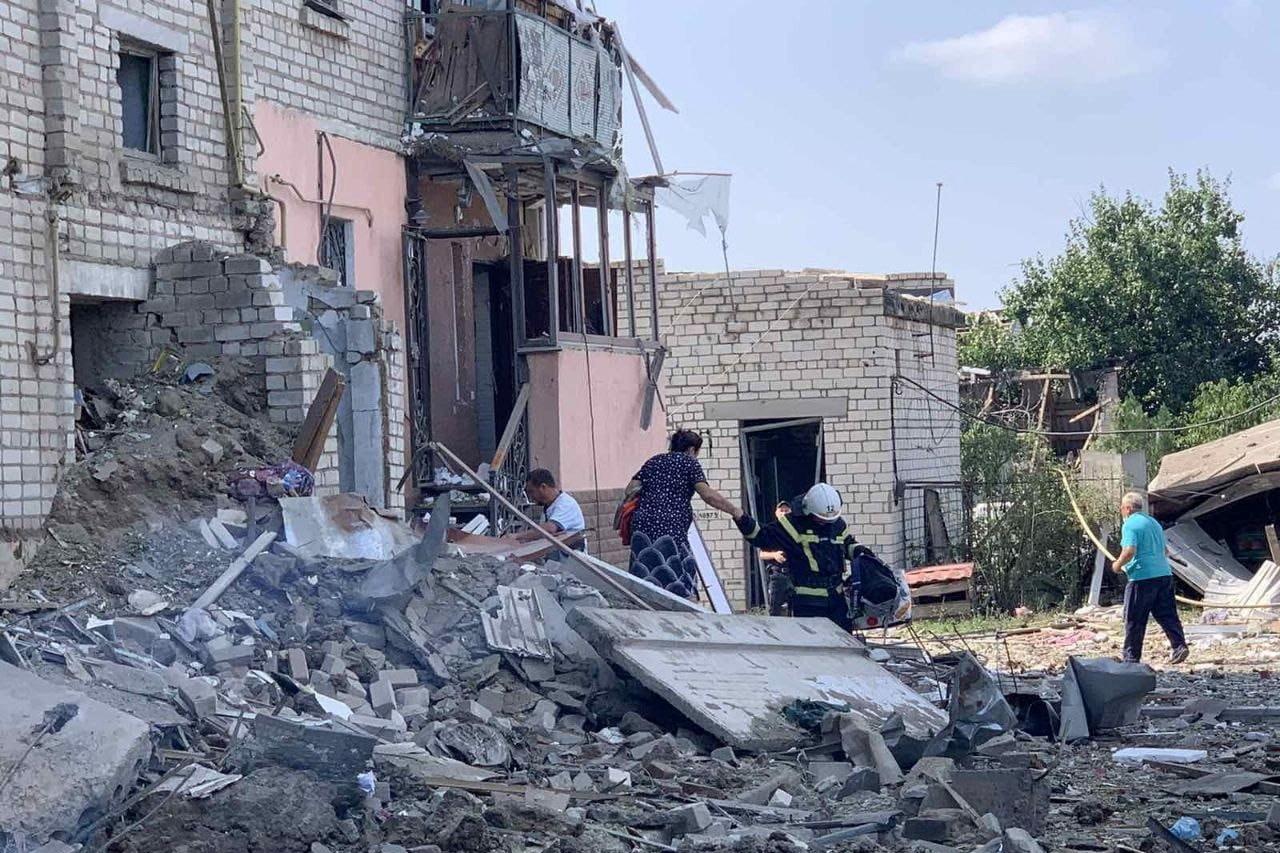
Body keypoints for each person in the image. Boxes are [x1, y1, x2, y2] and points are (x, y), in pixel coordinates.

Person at [625, 429, 740, 599]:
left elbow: (630, 490)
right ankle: (684, 602)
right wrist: (735, 511)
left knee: (646, 567)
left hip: (642, 525)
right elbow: (707, 495)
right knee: (678, 569)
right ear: (692, 449)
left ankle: (642, 600)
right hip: (670, 526)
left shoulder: (653, 461)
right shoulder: (689, 463)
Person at [734, 483, 856, 630]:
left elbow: (848, 544)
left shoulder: (836, 523)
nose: (825, 523)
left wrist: (862, 553)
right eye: (821, 519)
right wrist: (740, 517)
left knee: (844, 642)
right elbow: (761, 536)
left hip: (837, 600)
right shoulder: (792, 525)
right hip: (808, 602)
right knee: (813, 644)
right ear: (809, 511)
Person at [1112, 491, 1188, 664]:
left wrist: (1117, 565)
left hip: (1142, 576)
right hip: (1163, 573)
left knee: (1135, 618)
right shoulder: (1153, 523)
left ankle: (1131, 657)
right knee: (1167, 615)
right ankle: (1179, 646)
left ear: (1128, 508)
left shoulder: (1130, 524)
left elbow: (1129, 551)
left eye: (1122, 508)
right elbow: (1165, 551)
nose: (1122, 511)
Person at [515, 469, 586, 550]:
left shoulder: (565, 504)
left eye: (532, 491)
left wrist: (518, 536)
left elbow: (550, 529)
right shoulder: (548, 507)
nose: (531, 496)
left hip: (572, 558)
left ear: (543, 487)